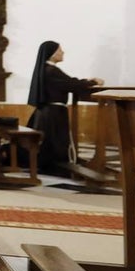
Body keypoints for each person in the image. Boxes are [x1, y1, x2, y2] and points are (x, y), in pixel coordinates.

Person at [26, 41, 102, 174]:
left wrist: (85, 81)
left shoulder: (47, 69)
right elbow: (70, 84)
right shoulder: (51, 70)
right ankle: (57, 166)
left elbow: (69, 82)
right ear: (51, 54)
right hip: (53, 113)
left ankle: (55, 164)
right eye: (59, 50)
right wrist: (92, 82)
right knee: (55, 143)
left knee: (53, 142)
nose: (63, 52)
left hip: (48, 112)